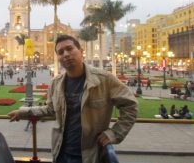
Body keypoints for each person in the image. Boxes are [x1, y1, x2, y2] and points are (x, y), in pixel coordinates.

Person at [8, 35, 138, 163]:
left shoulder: (104, 79)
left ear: (81, 51)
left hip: (91, 155)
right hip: (61, 154)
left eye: (69, 49)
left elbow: (131, 105)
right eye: (60, 52)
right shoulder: (56, 83)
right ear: (58, 58)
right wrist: (23, 112)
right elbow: (50, 109)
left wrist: (115, 133)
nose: (65, 54)